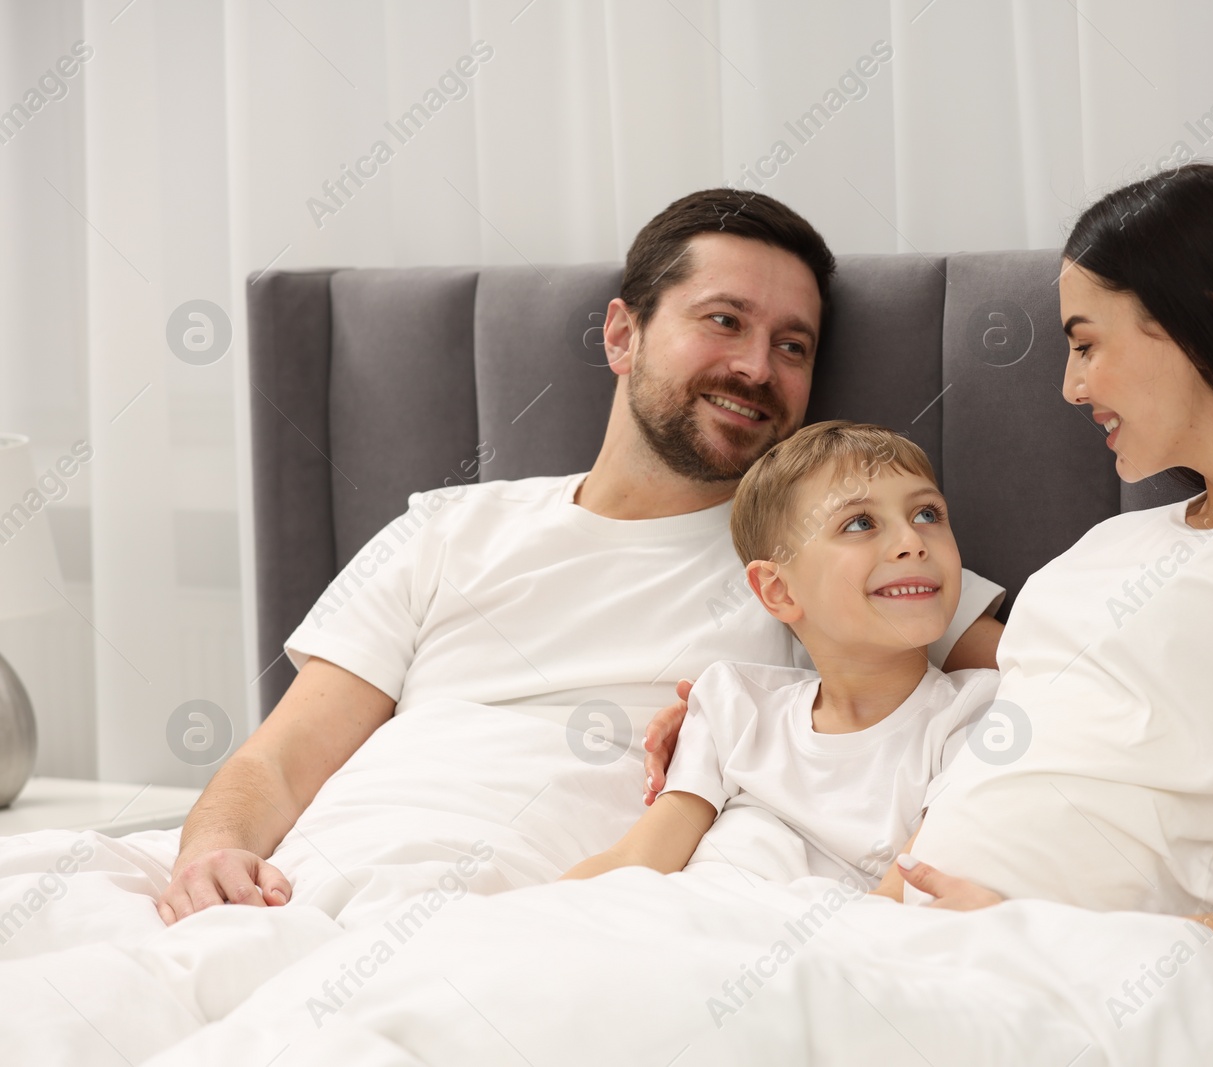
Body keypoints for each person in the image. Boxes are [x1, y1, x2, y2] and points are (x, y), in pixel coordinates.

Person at [664, 163, 1213, 1007]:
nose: (1070, 384)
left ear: (1201, 321)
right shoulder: (1110, 548)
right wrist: (724, 716)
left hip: (1051, 987)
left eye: (1086, 343)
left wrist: (1035, 938)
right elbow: (911, 640)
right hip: (897, 941)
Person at [155, 189, 1004, 925]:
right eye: (724, 321)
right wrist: (213, 855)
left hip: (549, 913)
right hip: (306, 889)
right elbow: (281, 755)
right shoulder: (446, 527)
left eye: (793, 345)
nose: (755, 366)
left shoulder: (837, 558)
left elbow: (1054, 686)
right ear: (622, 335)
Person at [562, 421, 998, 893]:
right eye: (860, 523)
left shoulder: (975, 712)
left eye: (928, 514)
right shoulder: (735, 702)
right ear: (778, 589)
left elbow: (905, 893)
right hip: (692, 919)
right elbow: (639, 859)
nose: (913, 541)